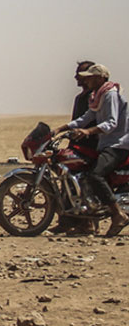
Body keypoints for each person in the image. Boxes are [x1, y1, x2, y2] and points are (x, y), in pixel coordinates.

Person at [56, 63, 129, 237]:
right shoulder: (98, 96)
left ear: (100, 78)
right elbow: (87, 117)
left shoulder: (110, 94)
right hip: (106, 144)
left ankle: (118, 215)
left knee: (95, 175)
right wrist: (61, 128)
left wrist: (88, 131)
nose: (86, 80)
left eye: (90, 77)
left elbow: (111, 122)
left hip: (118, 144)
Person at [53, 60, 99, 235]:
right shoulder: (81, 98)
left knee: (81, 181)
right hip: (78, 145)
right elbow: (78, 121)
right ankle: (67, 221)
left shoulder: (95, 97)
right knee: (66, 179)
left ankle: (87, 222)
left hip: (91, 146)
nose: (76, 77)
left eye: (80, 74)